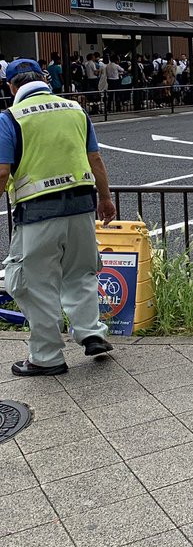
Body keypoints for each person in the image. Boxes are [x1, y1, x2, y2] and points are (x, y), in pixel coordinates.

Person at [0, 58, 116, 376]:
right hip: (81, 206)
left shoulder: (10, 117)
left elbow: (2, 171)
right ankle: (91, 333)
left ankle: (46, 356)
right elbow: (95, 158)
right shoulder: (74, 109)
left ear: (11, 87)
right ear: (44, 79)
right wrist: (105, 199)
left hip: (38, 212)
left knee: (33, 283)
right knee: (81, 273)